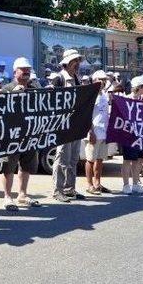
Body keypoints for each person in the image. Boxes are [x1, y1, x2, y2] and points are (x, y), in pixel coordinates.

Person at [0, 57, 42, 210]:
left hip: (30, 134)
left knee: (26, 165)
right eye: (23, 70)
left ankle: (22, 194)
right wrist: (12, 95)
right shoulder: (7, 88)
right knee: (9, 166)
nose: (26, 72)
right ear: (14, 72)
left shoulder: (35, 87)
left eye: (28, 70)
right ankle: (7, 196)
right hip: (11, 135)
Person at [51, 49, 86, 202]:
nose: (77, 64)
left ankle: (69, 188)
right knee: (61, 158)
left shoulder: (77, 78)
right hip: (63, 124)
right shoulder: (59, 79)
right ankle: (57, 190)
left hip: (75, 124)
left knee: (73, 159)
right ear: (67, 63)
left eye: (78, 60)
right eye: (74, 61)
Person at [120, 75, 143, 194]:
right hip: (128, 134)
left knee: (138, 160)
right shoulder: (127, 100)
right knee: (128, 160)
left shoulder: (142, 100)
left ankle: (136, 183)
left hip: (140, 134)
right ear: (138, 87)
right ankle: (126, 185)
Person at [84, 70, 111, 194]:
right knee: (90, 159)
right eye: (100, 79)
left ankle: (97, 183)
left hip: (103, 132)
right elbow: (87, 115)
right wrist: (91, 132)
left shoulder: (104, 95)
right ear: (94, 80)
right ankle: (89, 184)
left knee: (100, 159)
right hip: (93, 132)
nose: (103, 82)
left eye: (104, 79)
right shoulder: (90, 94)